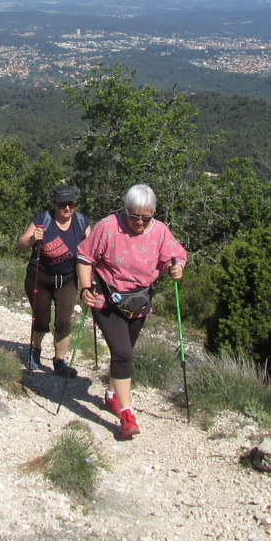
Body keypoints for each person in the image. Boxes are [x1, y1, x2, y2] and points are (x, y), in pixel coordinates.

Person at [76, 184, 186, 439]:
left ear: (153, 214)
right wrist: (84, 288)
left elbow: (176, 256)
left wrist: (177, 267)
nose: (138, 222)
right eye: (133, 215)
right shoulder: (107, 227)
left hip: (139, 302)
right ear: (125, 210)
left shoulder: (159, 231)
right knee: (123, 353)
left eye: (145, 217)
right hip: (106, 299)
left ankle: (112, 396)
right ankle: (127, 414)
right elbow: (84, 257)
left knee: (125, 351)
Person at [17, 185, 92, 377]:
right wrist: (33, 238)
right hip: (40, 278)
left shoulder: (82, 222)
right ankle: (35, 351)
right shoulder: (43, 219)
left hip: (67, 279)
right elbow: (22, 244)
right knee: (41, 320)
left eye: (71, 204)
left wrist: (92, 281)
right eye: (62, 204)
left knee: (64, 321)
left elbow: (91, 252)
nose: (67, 208)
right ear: (55, 204)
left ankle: (59, 361)